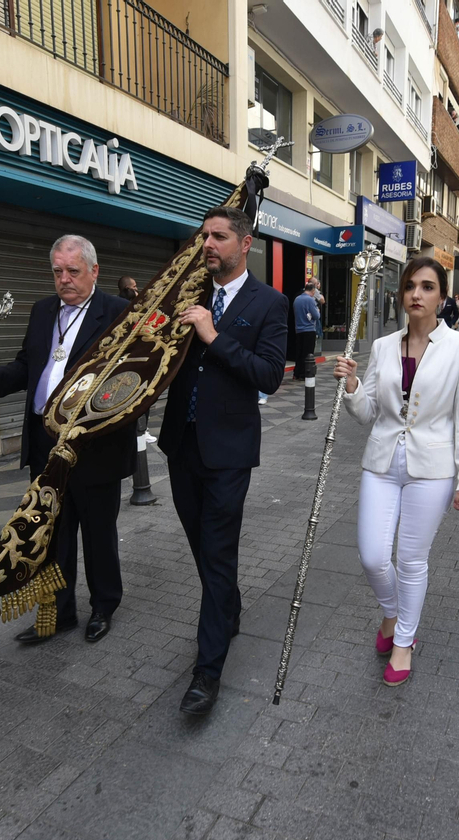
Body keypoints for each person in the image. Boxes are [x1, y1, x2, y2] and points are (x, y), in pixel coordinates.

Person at [160, 206, 288, 716]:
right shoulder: (188, 295)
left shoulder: (269, 303)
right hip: (180, 444)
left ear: (244, 244)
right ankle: (227, 606)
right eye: (203, 236)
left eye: (217, 237)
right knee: (200, 546)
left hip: (229, 451)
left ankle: (207, 671)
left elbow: (269, 374)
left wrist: (213, 337)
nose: (207, 244)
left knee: (217, 553)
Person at [0, 236, 135, 645]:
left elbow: (133, 384)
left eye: (73, 271)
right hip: (46, 442)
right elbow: (30, 365)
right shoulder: (43, 310)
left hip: (92, 445)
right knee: (51, 534)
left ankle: (103, 606)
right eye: (57, 271)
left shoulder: (119, 313)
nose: (64, 279)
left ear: (94, 271)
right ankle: (58, 612)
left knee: (99, 534)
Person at [334, 257, 459, 685]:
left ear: (442, 296)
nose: (417, 294)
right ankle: (392, 614)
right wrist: (352, 386)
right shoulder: (383, 346)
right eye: (411, 286)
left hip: (432, 470)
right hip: (381, 462)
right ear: (401, 293)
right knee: (373, 556)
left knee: (412, 560)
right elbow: (369, 414)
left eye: (428, 287)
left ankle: (403, 641)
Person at [294, 280, 322, 378]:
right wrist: (317, 311)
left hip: (298, 329)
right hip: (309, 329)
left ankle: (297, 373)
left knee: (299, 352)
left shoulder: (297, 299)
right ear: (313, 291)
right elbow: (316, 316)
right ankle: (305, 373)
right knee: (308, 353)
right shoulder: (310, 300)